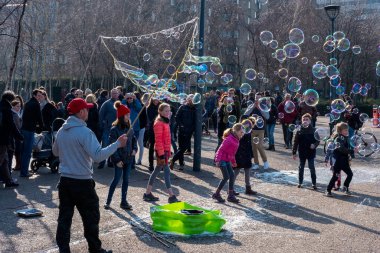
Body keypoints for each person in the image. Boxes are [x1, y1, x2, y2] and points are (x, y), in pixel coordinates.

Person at [53, 98, 128, 253]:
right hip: (82, 182)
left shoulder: (62, 130)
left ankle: (63, 249)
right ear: (81, 112)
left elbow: (55, 152)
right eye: (86, 109)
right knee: (91, 218)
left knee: (64, 219)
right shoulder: (85, 132)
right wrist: (117, 144)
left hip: (65, 181)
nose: (88, 111)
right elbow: (98, 156)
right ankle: (95, 249)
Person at [143, 103, 179, 203]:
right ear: (160, 112)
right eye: (166, 111)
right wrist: (162, 154)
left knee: (156, 171)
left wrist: (168, 150)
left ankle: (147, 193)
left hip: (164, 151)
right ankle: (171, 196)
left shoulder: (165, 121)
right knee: (166, 172)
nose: (168, 113)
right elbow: (158, 140)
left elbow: (166, 139)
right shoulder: (159, 123)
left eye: (169, 111)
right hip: (161, 151)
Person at [104, 101, 137, 210]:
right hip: (119, 160)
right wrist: (117, 160)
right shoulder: (114, 129)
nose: (129, 116)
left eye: (129, 114)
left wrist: (134, 150)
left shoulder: (130, 128)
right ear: (122, 116)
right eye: (127, 114)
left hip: (128, 158)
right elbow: (112, 146)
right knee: (116, 180)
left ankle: (123, 201)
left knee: (126, 180)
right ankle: (108, 201)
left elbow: (134, 141)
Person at [213, 123, 244, 203]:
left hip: (227, 160)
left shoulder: (236, 139)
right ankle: (216, 194)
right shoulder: (229, 139)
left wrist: (234, 162)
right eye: (241, 131)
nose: (242, 133)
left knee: (232, 175)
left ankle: (230, 195)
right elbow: (220, 149)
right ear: (236, 131)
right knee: (226, 177)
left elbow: (232, 153)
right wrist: (217, 160)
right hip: (222, 160)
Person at [0, 91, 23, 187]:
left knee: (5, 160)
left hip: (2, 138)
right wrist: (19, 136)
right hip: (3, 138)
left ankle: (8, 181)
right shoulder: (7, 110)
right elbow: (11, 125)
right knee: (2, 159)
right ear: (10, 99)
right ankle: (8, 181)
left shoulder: (1, 107)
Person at [325, 122, 354, 197]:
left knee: (350, 174)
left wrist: (351, 154)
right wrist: (351, 151)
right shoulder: (338, 138)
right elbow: (342, 149)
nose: (347, 132)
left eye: (347, 130)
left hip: (344, 161)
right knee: (335, 176)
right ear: (340, 131)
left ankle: (345, 187)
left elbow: (347, 148)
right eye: (345, 130)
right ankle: (328, 190)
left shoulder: (345, 137)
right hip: (338, 161)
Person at [20, 89, 44, 177]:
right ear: (34, 95)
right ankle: (24, 172)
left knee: (24, 151)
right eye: (38, 95)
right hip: (30, 130)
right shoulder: (36, 104)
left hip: (24, 129)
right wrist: (41, 127)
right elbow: (39, 117)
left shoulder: (27, 103)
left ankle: (23, 170)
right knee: (28, 151)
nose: (40, 97)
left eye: (41, 95)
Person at [292, 113, 319, 189]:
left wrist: (314, 145)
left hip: (311, 152)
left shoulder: (314, 130)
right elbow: (296, 142)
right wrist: (294, 152)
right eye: (304, 119)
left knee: (311, 167)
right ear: (301, 121)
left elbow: (318, 140)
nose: (305, 121)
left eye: (307, 119)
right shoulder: (299, 130)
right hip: (302, 151)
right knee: (301, 167)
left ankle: (314, 183)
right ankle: (300, 182)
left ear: (310, 121)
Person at [244, 92, 270, 170]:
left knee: (259, 146)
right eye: (256, 98)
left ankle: (265, 162)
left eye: (259, 98)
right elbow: (245, 114)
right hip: (252, 129)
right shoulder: (251, 105)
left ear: (261, 99)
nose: (257, 99)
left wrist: (260, 109)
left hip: (261, 129)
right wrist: (253, 107)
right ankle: (256, 163)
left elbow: (267, 117)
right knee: (254, 147)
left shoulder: (264, 107)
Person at [170, 95, 196, 170]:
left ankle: (173, 160)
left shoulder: (195, 108)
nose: (191, 100)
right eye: (190, 99)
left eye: (192, 99)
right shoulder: (182, 107)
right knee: (181, 147)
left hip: (189, 131)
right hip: (181, 130)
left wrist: (193, 129)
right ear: (187, 100)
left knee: (183, 148)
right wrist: (181, 125)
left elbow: (196, 121)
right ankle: (181, 164)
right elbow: (176, 117)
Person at [234, 118, 257, 195]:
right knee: (237, 171)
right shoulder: (242, 133)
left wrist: (251, 154)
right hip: (240, 155)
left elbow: (249, 145)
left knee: (246, 171)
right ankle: (230, 188)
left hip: (245, 155)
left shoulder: (247, 132)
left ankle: (248, 188)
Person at [98, 88, 119, 169]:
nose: (114, 94)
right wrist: (102, 124)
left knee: (114, 146)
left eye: (116, 93)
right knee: (105, 145)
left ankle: (111, 162)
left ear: (118, 94)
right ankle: (101, 162)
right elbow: (101, 114)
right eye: (113, 93)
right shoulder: (106, 103)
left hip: (116, 128)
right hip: (107, 128)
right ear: (111, 94)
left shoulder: (120, 103)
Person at [123, 93, 142, 169]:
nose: (129, 100)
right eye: (128, 98)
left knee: (133, 145)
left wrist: (136, 99)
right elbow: (121, 107)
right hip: (126, 127)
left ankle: (132, 163)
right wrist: (125, 99)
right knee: (126, 146)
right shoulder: (124, 104)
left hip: (135, 128)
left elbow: (140, 108)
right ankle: (126, 162)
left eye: (131, 98)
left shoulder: (135, 104)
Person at [8, 100, 23, 172]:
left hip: (15, 135)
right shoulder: (15, 115)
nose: (19, 108)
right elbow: (18, 126)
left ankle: (18, 165)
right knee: (17, 151)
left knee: (17, 151)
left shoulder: (15, 113)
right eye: (17, 106)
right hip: (16, 135)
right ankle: (18, 165)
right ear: (13, 107)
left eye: (20, 106)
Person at [146, 98, 160, 171]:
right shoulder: (149, 108)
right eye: (154, 99)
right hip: (152, 129)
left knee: (159, 147)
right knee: (152, 147)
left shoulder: (161, 106)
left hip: (160, 129)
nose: (156, 101)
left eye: (157, 99)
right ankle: (151, 164)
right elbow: (151, 118)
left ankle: (160, 164)